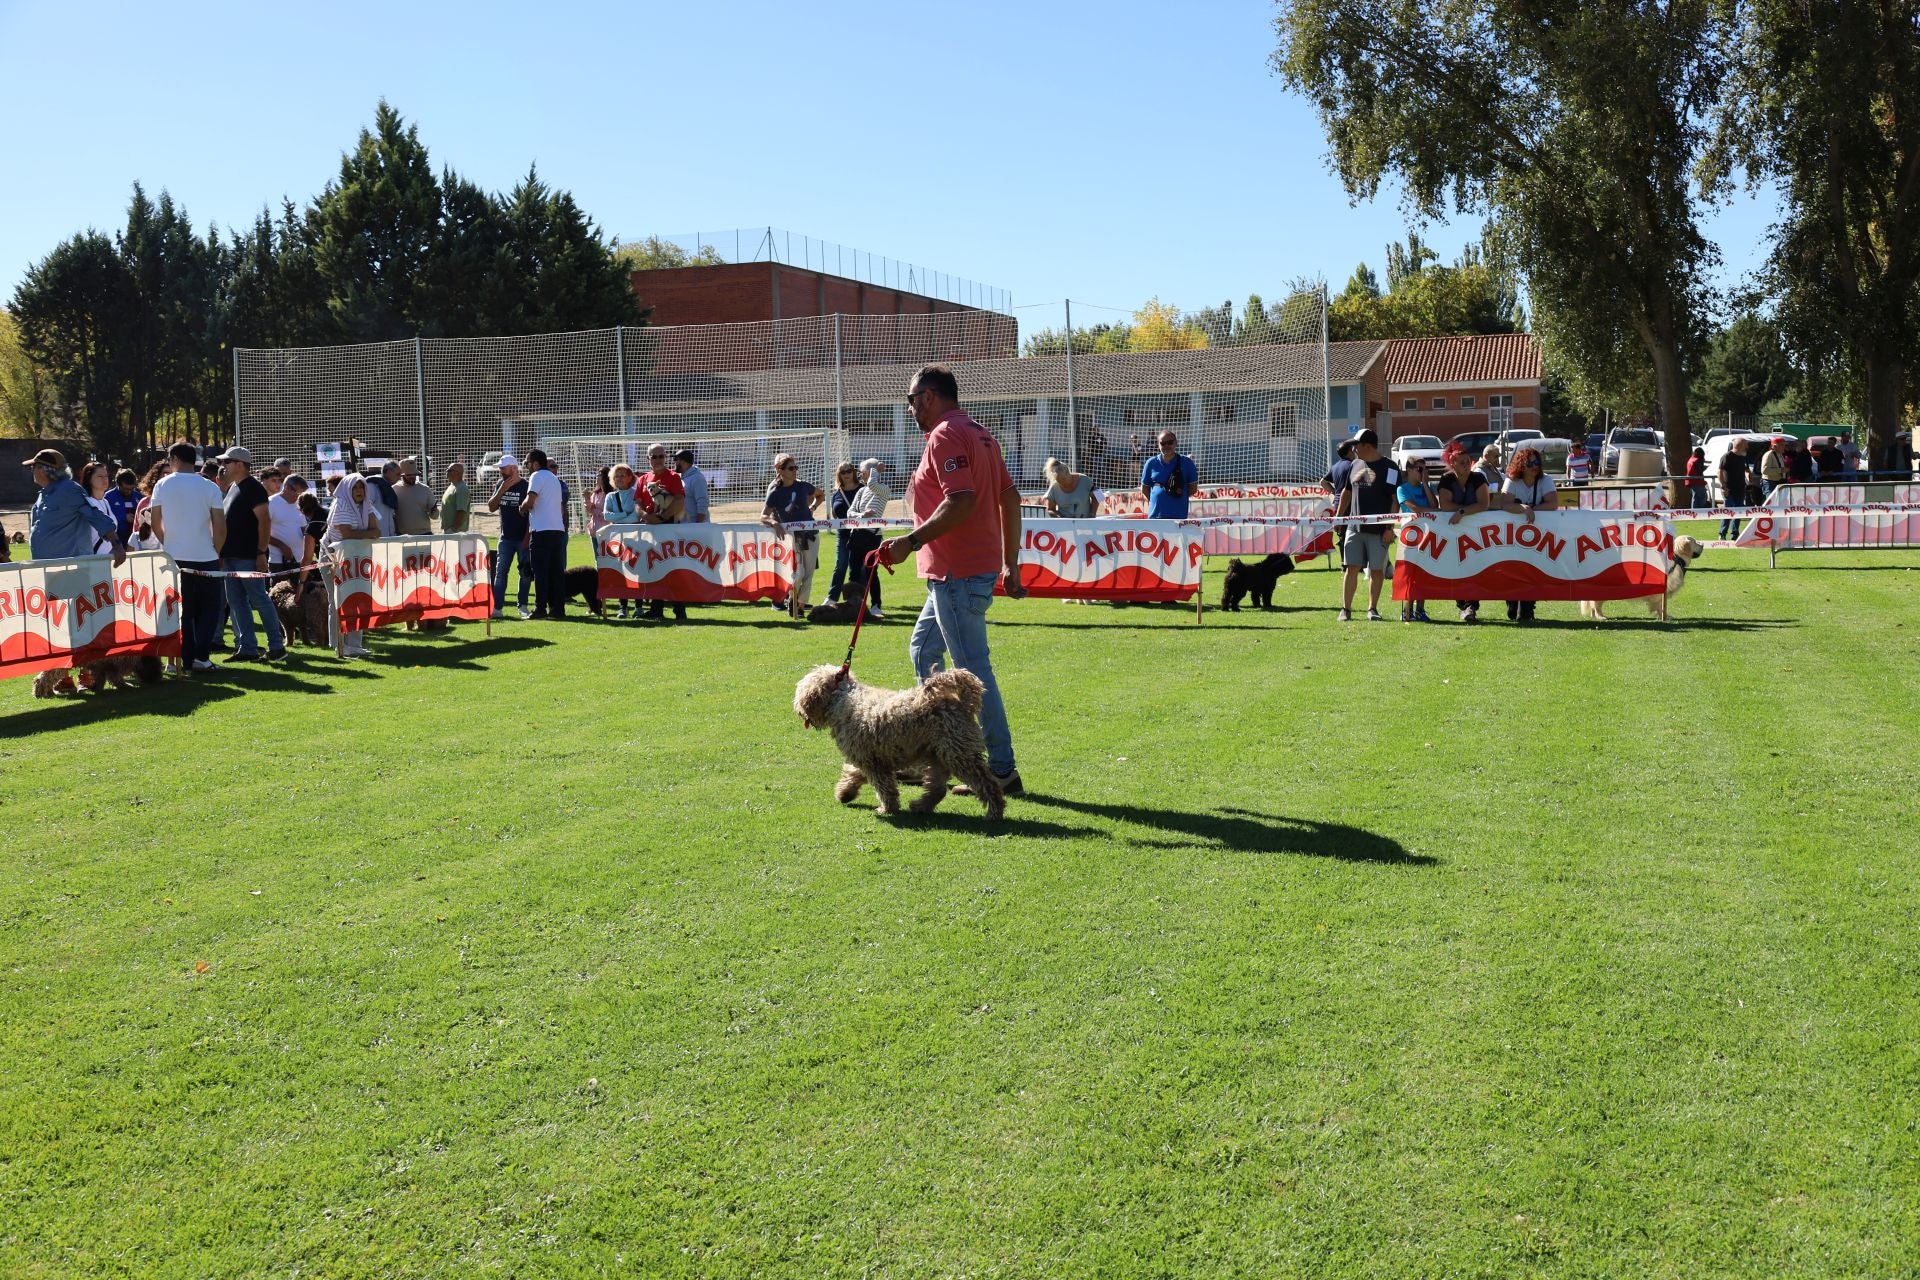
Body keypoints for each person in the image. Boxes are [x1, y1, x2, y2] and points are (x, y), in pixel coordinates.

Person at [878, 364, 1025, 795]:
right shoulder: (981, 433)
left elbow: (962, 501)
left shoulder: (946, 434)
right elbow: (1009, 498)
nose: (910, 410)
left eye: (911, 401)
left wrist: (911, 540)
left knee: (972, 672)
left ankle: (1001, 768)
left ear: (927, 396)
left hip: (956, 573)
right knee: (923, 651)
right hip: (956, 571)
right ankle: (928, 750)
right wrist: (1010, 562)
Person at [148, 442, 226, 672]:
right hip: (205, 556)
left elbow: (155, 522)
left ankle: (185, 657)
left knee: (183, 611)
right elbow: (220, 526)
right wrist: (216, 551)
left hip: (174, 559)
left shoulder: (162, 485)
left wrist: (168, 543)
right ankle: (200, 656)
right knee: (210, 609)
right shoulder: (209, 486)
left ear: (174, 458)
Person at [215, 446, 287, 662]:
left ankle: (276, 646)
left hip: (247, 556)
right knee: (236, 602)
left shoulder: (253, 488)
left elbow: (264, 521)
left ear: (239, 464)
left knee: (259, 600)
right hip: (231, 557)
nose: (222, 466)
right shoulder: (234, 488)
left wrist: (260, 553)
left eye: (226, 462)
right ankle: (247, 648)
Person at [1331, 430, 1399, 622]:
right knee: (1350, 567)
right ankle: (1345, 609)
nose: (1353, 449)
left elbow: (1394, 500)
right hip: (1353, 527)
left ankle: (1372, 609)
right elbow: (1347, 492)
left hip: (1378, 530)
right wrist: (1338, 518)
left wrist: (1389, 528)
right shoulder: (1354, 464)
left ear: (1367, 446)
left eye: (1356, 445)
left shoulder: (1390, 467)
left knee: (1377, 570)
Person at [25, 449, 124, 563]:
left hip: (73, 568)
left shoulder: (69, 490)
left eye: (34, 467)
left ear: (43, 470)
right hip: (50, 567)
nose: (32, 471)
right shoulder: (43, 494)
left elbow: (96, 516)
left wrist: (117, 545)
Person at [323, 472, 381, 657]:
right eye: (355, 487)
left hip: (357, 557)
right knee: (338, 602)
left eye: (361, 486)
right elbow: (347, 534)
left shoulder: (367, 504)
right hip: (334, 559)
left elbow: (377, 531)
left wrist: (366, 534)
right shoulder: (341, 504)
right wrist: (367, 533)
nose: (359, 491)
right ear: (347, 489)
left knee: (359, 599)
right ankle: (338, 644)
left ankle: (355, 645)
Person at [1435, 440, 1491, 623]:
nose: (1467, 464)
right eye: (1462, 462)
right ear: (1452, 464)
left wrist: (1461, 512)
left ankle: (1470, 606)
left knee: (1476, 567)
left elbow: (1484, 504)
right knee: (1456, 568)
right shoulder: (1446, 480)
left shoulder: (1479, 478)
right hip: (1453, 533)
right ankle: (1464, 605)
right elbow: (1445, 506)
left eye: (1468, 461)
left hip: (1478, 533)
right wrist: (1468, 509)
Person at [1500, 447, 1559, 623]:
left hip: (1537, 536)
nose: (1535, 466)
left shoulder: (1545, 479)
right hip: (1512, 535)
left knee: (1533, 570)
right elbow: (1504, 503)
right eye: (1530, 463)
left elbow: (1553, 503)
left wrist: (1532, 510)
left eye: (1537, 462)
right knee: (1513, 569)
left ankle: (1527, 608)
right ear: (1521, 465)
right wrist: (1522, 508)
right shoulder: (1512, 480)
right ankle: (1512, 602)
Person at [762, 453, 823, 619]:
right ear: (780, 471)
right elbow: (763, 515)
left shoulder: (803, 485)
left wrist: (813, 507)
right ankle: (792, 598)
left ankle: (800, 606)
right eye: (791, 468)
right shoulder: (775, 491)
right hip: (790, 537)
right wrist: (774, 523)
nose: (795, 470)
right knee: (797, 572)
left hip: (810, 534)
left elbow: (820, 494)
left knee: (809, 573)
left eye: (796, 467)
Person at [638, 444, 688, 620]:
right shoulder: (643, 479)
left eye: (661, 456)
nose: (658, 460)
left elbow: (680, 501)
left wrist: (661, 517)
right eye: (654, 456)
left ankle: (679, 610)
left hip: (669, 528)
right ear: (648, 459)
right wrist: (645, 515)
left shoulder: (674, 477)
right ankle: (656, 608)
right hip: (650, 530)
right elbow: (637, 503)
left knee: (673, 571)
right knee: (654, 569)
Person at [518, 448, 568, 619]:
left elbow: (530, 501)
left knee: (540, 572)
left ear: (536, 463)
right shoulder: (554, 479)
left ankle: (540, 608)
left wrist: (522, 507)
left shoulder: (536, 476)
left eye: (527, 463)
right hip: (557, 530)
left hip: (541, 530)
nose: (526, 466)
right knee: (556, 572)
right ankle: (558, 609)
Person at [486, 454, 533, 620]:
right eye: (500, 468)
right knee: (500, 573)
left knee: (525, 573)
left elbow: (531, 515)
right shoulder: (500, 484)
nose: (500, 471)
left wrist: (527, 539)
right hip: (505, 538)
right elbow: (491, 507)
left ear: (514, 468)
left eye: (503, 468)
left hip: (523, 538)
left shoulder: (527, 486)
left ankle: (523, 607)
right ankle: (497, 608)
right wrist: (502, 489)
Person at [846, 458, 891, 620]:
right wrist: (861, 515)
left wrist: (876, 470)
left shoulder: (884, 489)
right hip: (856, 535)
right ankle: (854, 606)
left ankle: (876, 605)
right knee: (854, 572)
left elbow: (872, 484)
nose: (860, 475)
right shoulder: (860, 491)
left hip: (872, 537)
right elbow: (850, 512)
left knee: (871, 572)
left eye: (862, 472)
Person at [1395, 458, 1435, 623]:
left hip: (1427, 536)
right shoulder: (1402, 489)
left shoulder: (1427, 487)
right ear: (1409, 470)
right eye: (1420, 469)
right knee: (1409, 575)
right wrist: (1432, 511)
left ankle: (1420, 610)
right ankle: (1407, 611)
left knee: (1424, 574)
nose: (1423, 473)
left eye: (1426, 470)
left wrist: (1425, 484)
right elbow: (1415, 509)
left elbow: (1435, 504)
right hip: (1410, 537)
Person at [825, 461, 864, 605]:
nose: (847, 474)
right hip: (843, 534)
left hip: (861, 534)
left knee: (858, 567)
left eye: (849, 471)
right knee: (840, 564)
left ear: (854, 472)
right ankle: (832, 598)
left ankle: (857, 599)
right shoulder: (836, 494)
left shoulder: (863, 489)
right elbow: (835, 515)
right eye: (843, 472)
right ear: (839, 475)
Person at [1141, 431, 1198, 519]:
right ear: (1158, 445)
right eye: (1163, 443)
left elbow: (1193, 488)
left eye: (1170, 442)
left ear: (1176, 443)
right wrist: (1157, 499)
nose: (1166, 446)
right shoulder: (1150, 463)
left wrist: (1177, 495)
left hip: (1178, 519)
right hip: (1155, 518)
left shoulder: (1187, 463)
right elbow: (1145, 489)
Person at [267, 473, 309, 582]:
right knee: (280, 596)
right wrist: (282, 546)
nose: (299, 496)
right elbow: (261, 532)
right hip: (279, 561)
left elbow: (304, 528)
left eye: (302, 493)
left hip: (300, 560)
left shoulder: (299, 503)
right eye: (297, 493)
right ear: (286, 488)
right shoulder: (271, 503)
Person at [79, 461, 118, 555]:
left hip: (108, 559)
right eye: (100, 476)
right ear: (89, 479)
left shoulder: (106, 502)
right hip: (90, 560)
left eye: (106, 476)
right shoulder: (85, 502)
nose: (105, 479)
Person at [393, 457, 437, 535]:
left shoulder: (425, 489)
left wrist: (434, 512)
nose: (412, 477)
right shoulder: (394, 489)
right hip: (403, 536)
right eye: (409, 475)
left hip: (424, 534)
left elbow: (435, 516)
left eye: (414, 474)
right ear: (401, 475)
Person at [1718, 439, 1751, 539]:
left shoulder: (1743, 457)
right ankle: (1722, 534)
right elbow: (1719, 472)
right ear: (1740, 445)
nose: (1747, 447)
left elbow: (1746, 470)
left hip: (1740, 489)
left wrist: (1749, 477)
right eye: (1746, 445)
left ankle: (1735, 534)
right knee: (1728, 511)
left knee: (1739, 511)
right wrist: (1723, 486)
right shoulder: (1727, 456)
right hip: (1729, 490)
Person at [675, 448, 710, 523]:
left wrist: (697, 527)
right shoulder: (681, 477)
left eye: (676, 459)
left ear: (683, 461)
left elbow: (703, 502)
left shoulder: (697, 478)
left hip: (695, 527)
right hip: (685, 526)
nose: (674, 462)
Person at [106, 468, 140, 543]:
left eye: (131, 489)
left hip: (135, 540)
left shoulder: (138, 496)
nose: (129, 491)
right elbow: (104, 518)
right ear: (118, 484)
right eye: (125, 489)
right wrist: (123, 517)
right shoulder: (108, 497)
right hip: (115, 540)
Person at [439, 462, 471, 533]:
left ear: (458, 473)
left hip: (456, 533)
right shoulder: (452, 486)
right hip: (449, 530)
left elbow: (461, 511)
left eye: (450, 470)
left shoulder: (461, 488)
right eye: (447, 469)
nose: (446, 471)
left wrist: (453, 529)